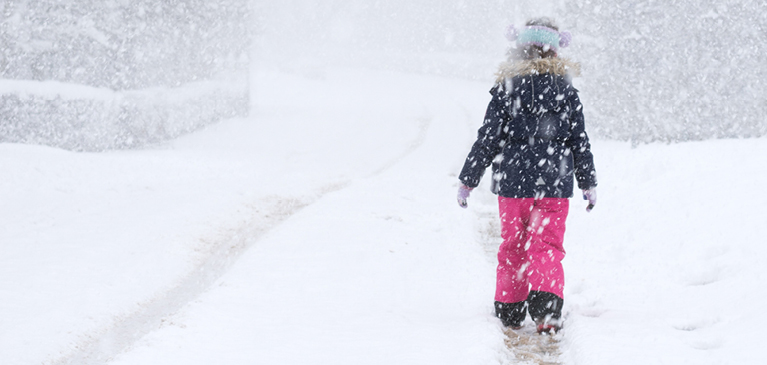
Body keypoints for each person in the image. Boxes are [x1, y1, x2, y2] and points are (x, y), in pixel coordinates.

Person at [456, 18, 597, 333]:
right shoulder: (567, 92)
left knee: (513, 245)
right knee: (546, 244)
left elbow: (488, 139)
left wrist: (469, 178)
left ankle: (509, 309)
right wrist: (588, 182)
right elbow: (580, 141)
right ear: (556, 52)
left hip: (514, 184)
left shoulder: (508, 89)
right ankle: (547, 311)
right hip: (554, 183)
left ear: (518, 48)